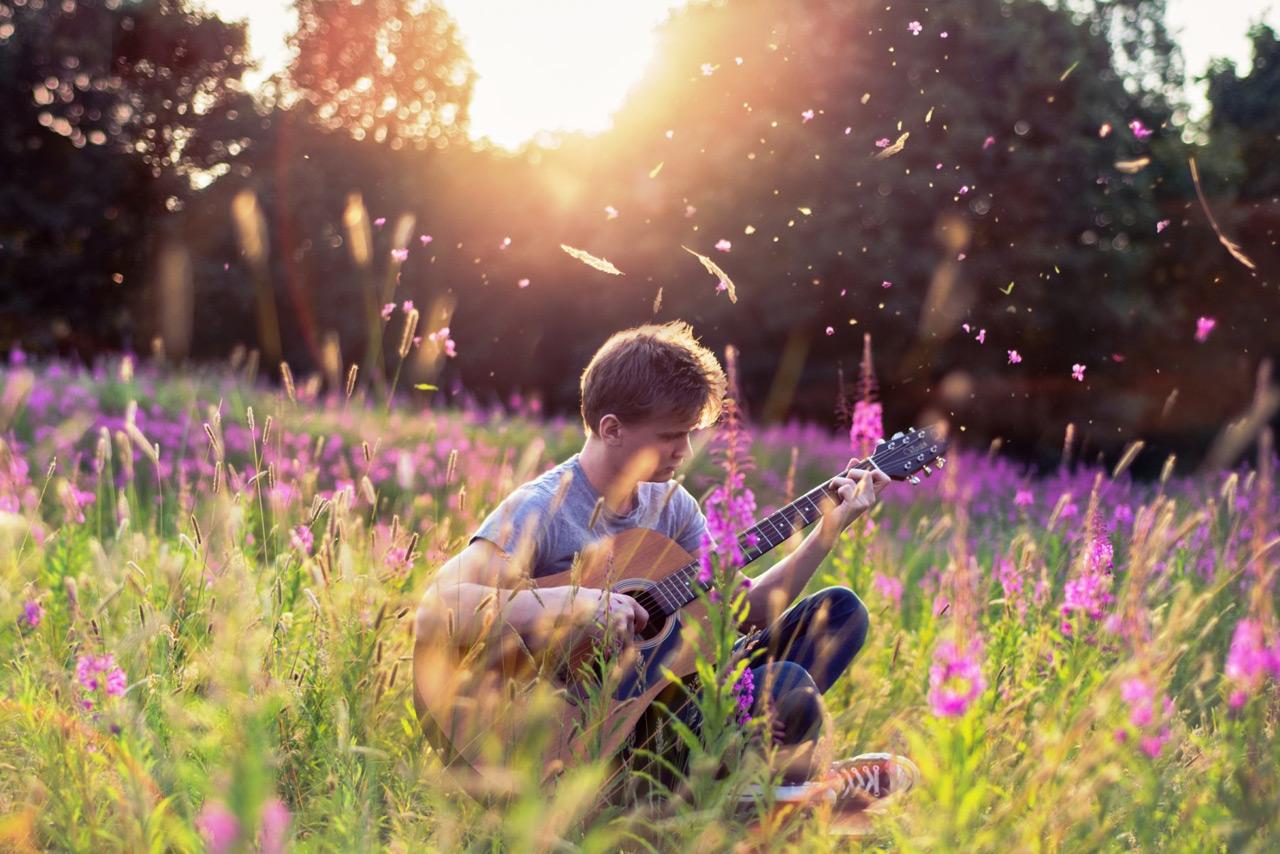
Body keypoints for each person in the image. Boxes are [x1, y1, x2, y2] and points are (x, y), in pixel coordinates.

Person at [416, 320, 917, 807]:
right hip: (584, 739)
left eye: (692, 433)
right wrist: (577, 602)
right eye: (670, 436)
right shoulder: (543, 507)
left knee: (840, 612)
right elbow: (442, 607)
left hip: (671, 707)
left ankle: (757, 785)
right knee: (785, 689)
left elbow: (743, 612)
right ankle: (773, 787)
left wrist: (827, 532)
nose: (685, 450)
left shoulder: (672, 507)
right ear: (612, 429)